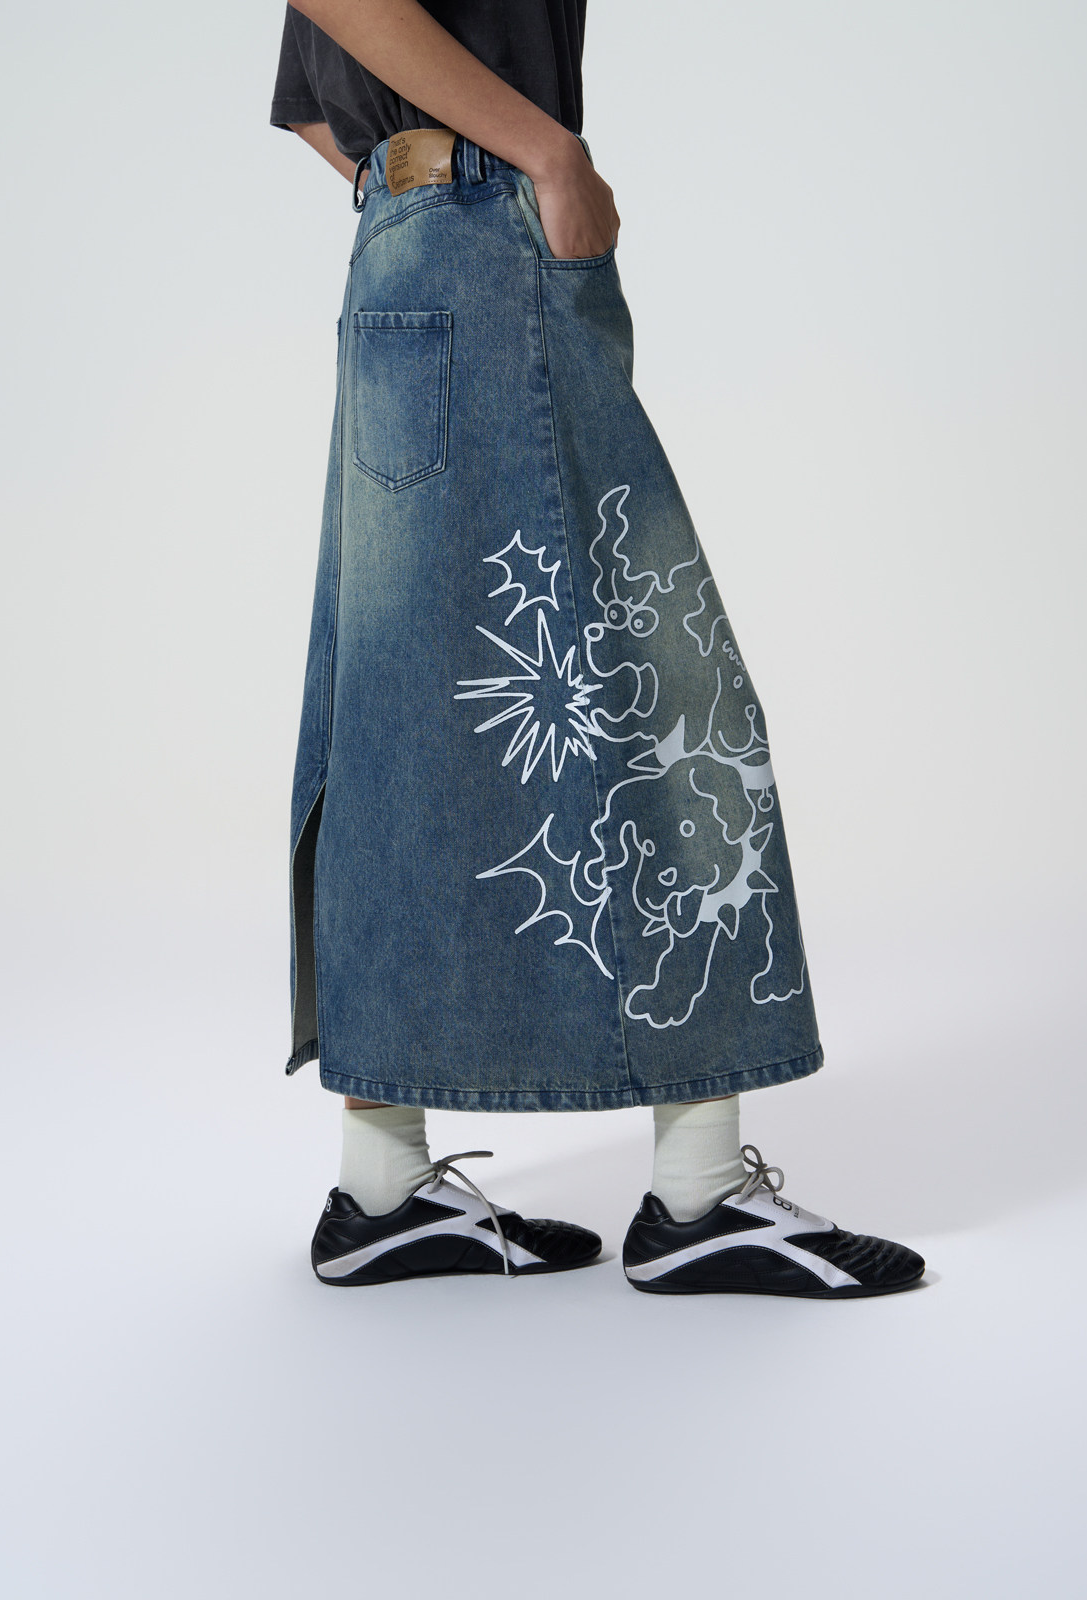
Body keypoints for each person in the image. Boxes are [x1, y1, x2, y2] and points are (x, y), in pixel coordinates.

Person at [270, 0, 925, 1297]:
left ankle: (382, 1184)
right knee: (666, 690)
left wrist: (417, 184)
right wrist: (540, 157)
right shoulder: (521, 175)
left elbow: (311, 106)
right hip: (485, 246)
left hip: (405, 252)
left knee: (408, 722)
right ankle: (699, 1196)